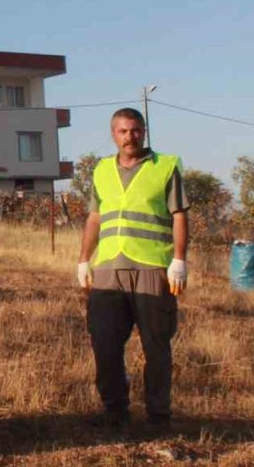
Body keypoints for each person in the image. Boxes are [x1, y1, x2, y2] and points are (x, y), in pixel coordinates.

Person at [77, 108, 189, 430]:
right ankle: (114, 411)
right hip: (109, 268)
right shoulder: (100, 170)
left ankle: (158, 415)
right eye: (123, 131)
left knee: (156, 345)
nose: (130, 137)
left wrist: (178, 260)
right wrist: (84, 259)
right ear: (114, 134)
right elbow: (95, 218)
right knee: (104, 341)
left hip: (153, 267)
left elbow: (179, 215)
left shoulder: (165, 166)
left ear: (144, 132)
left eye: (136, 130)